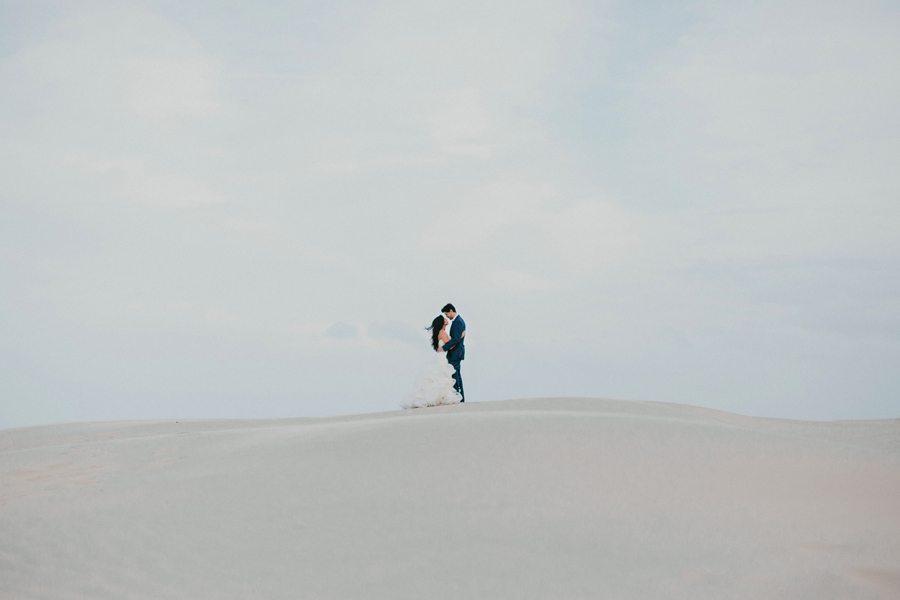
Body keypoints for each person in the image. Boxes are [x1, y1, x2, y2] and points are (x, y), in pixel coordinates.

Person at [399, 315, 463, 409]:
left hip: (439, 356)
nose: (446, 319)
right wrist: (460, 337)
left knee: (437, 378)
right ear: (442, 323)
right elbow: (451, 346)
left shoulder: (439, 333)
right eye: (444, 319)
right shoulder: (442, 332)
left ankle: (433, 397)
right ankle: (438, 398)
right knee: (442, 377)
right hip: (443, 358)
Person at [441, 303, 465, 402]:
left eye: (446, 314)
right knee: (457, 376)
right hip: (456, 353)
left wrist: (443, 348)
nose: (446, 316)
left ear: (451, 311)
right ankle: (460, 397)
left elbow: (456, 339)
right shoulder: (457, 321)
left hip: (456, 353)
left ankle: (457, 397)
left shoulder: (459, 322)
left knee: (454, 376)